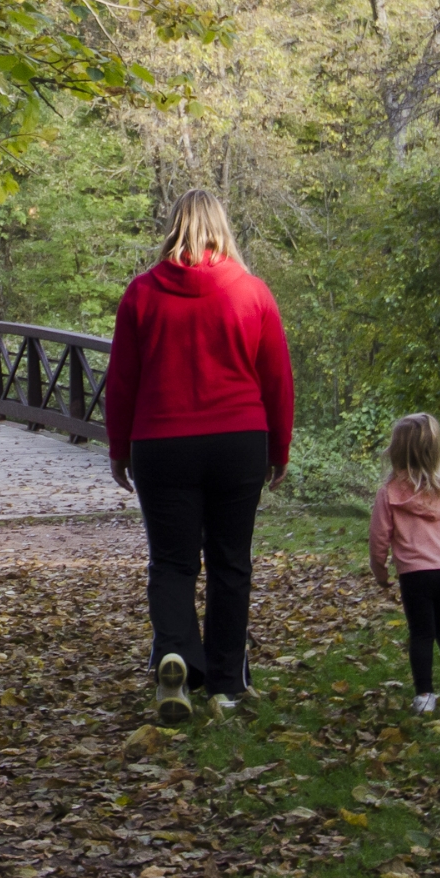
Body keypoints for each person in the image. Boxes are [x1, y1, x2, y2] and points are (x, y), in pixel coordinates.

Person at [103, 188, 294, 724]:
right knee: (231, 563)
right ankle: (229, 683)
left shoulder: (141, 294)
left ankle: (178, 658)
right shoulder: (253, 293)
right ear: (222, 228)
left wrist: (120, 449)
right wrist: (279, 446)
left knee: (172, 562)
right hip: (237, 440)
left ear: (174, 226)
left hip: (162, 445)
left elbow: (122, 381)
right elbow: (276, 378)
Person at [367, 412, 440, 714]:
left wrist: (380, 571)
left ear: (395, 451)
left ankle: (425, 696)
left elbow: (378, 538)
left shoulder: (388, 494)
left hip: (415, 575)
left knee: (421, 633)